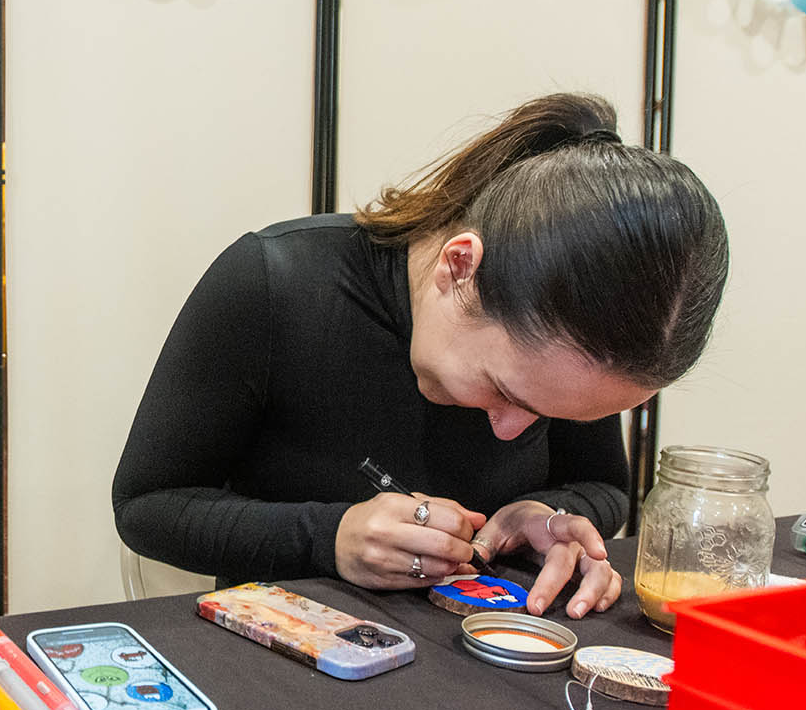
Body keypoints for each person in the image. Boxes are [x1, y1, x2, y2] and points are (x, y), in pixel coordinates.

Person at [112, 93, 728, 620]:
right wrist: (330, 537)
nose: (516, 430)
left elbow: (604, 486)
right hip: (293, 665)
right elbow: (148, 506)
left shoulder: (577, 345)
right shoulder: (274, 284)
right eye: (508, 393)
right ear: (459, 268)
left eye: (555, 415)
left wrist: (548, 513)